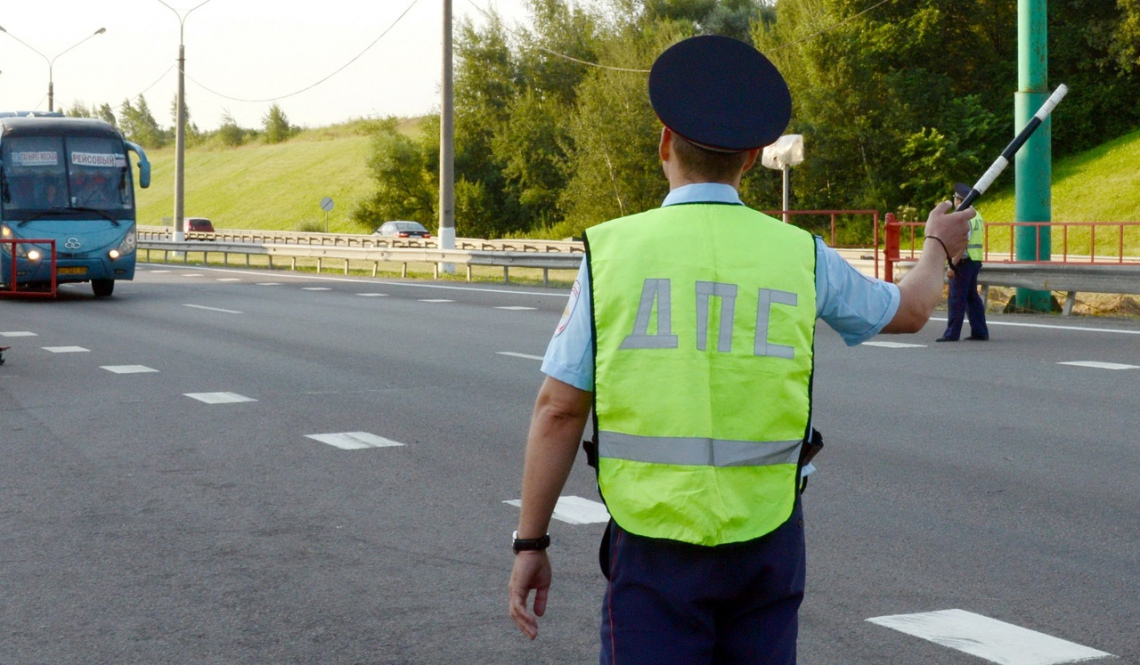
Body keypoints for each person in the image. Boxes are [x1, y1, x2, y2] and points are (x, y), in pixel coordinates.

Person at [506, 35, 975, 664]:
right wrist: (938, 246)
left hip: (652, 537)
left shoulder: (611, 252)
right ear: (753, 158)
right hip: (768, 534)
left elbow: (559, 411)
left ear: (664, 142)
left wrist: (529, 543)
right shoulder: (799, 254)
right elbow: (912, 309)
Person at [937, 182, 990, 341]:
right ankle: (980, 332)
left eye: (954, 198)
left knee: (956, 298)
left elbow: (962, 243)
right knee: (971, 297)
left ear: (959, 200)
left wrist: (952, 264)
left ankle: (952, 334)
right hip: (975, 260)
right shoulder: (976, 214)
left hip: (964, 262)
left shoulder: (962, 217)